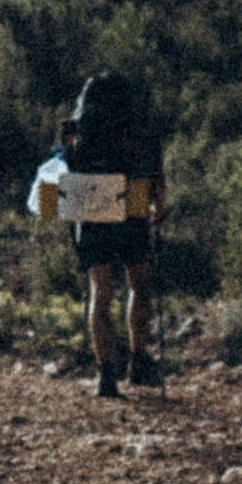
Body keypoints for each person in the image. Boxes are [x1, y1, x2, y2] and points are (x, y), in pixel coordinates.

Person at [59, 72, 166, 399]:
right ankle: (138, 359)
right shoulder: (140, 124)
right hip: (132, 194)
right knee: (139, 283)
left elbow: (60, 173)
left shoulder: (75, 127)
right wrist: (156, 207)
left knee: (100, 290)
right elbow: (157, 180)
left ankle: (106, 376)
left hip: (89, 196)